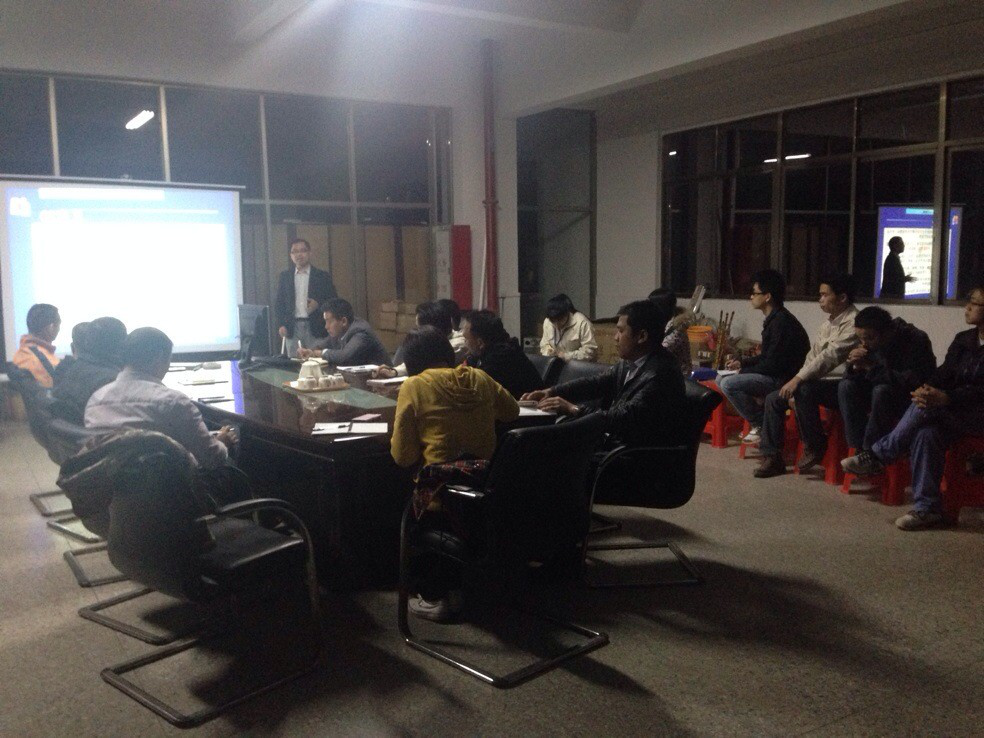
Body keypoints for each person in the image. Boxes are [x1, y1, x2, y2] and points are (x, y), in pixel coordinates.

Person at [390, 326, 519, 622]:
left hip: (442, 500)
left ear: (411, 362)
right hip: (487, 492)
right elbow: (512, 411)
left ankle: (436, 593)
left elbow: (403, 457)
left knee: (398, 493)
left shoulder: (414, 386)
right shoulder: (480, 377)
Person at [842, 286, 984, 530]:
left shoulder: (913, 339)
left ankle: (877, 456)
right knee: (925, 432)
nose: (967, 307)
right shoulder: (964, 339)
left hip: (976, 412)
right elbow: (944, 373)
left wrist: (946, 397)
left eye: (974, 303)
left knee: (923, 408)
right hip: (957, 410)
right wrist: (927, 389)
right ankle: (927, 508)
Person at [521, 299, 685, 448]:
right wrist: (552, 392)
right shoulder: (630, 363)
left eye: (621, 331)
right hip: (614, 442)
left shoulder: (661, 374)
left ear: (641, 336)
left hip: (631, 455)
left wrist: (573, 409)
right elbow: (596, 383)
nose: (615, 337)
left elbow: (623, 419)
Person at [753, 274, 859, 477]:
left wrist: (798, 381)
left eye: (825, 295)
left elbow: (829, 357)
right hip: (816, 381)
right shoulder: (828, 324)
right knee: (774, 398)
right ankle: (772, 457)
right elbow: (812, 356)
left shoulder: (854, 322)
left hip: (842, 384)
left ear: (842, 298)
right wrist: (796, 381)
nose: (820, 299)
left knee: (803, 390)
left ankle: (815, 444)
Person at [85, 327, 237, 469]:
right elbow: (211, 458)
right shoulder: (173, 402)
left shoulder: (96, 400)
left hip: (110, 486)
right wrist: (222, 442)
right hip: (171, 486)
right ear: (159, 357)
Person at [717, 270, 810, 444]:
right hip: (774, 373)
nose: (751, 297)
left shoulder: (781, 322)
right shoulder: (774, 319)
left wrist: (743, 371)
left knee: (729, 383)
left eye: (754, 293)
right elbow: (767, 356)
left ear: (767, 296)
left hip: (784, 380)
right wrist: (741, 363)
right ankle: (760, 420)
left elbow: (772, 365)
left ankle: (760, 423)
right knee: (720, 378)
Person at [837, 306, 936, 456]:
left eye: (869, 338)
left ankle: (870, 451)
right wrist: (854, 366)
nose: (864, 343)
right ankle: (857, 447)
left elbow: (912, 380)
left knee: (881, 390)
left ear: (887, 332)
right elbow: (855, 377)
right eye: (861, 339)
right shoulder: (869, 342)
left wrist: (870, 368)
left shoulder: (915, 339)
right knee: (845, 386)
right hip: (876, 391)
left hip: (908, 397)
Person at [51, 316, 127, 425]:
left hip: (74, 432)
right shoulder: (112, 381)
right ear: (122, 345)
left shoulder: (71, 368)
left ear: (87, 342)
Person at [273, 238, 338, 353]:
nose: (299, 254)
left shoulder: (322, 276)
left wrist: (318, 304)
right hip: (292, 328)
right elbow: (279, 303)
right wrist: (281, 324)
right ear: (291, 255)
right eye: (295, 252)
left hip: (316, 327)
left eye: (302, 250)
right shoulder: (285, 277)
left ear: (309, 253)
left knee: (316, 360)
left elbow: (333, 301)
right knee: (293, 361)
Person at [461, 310, 544, 398]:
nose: (465, 343)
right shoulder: (490, 351)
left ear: (480, 343)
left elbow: (472, 393)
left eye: (466, 339)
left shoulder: (500, 360)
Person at [376, 301, 466, 377]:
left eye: (420, 328)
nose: (419, 332)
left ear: (431, 329)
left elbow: (422, 363)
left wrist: (395, 372)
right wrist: (394, 371)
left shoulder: (458, 344)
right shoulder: (433, 342)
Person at [298, 297, 390, 366]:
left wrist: (320, 353)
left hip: (381, 381)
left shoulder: (360, 332)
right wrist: (309, 351)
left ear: (343, 321)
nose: (326, 326)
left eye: (329, 321)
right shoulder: (338, 331)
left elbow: (344, 357)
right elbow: (322, 345)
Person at [12, 303, 61, 388]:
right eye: (58, 325)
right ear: (51, 327)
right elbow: (55, 390)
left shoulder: (22, 353)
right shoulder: (42, 360)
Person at [539, 293, 597, 361]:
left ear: (567, 313)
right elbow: (544, 345)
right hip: (555, 362)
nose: (557, 324)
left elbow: (590, 351)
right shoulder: (548, 322)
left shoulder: (582, 323)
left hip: (577, 364)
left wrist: (567, 356)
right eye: (553, 321)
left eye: (560, 320)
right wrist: (548, 352)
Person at [649, 287, 692, 375]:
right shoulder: (661, 323)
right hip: (664, 372)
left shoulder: (677, 327)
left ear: (661, 307)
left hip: (679, 376)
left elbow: (660, 351)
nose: (649, 310)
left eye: (651, 306)